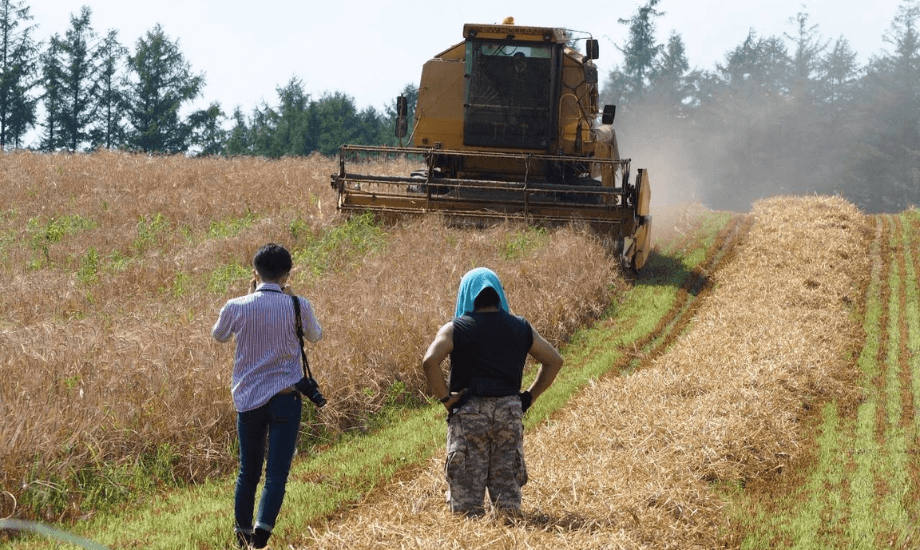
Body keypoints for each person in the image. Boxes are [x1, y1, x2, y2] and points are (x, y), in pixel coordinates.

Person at [421, 267, 564, 515]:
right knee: (507, 505)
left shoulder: (455, 328)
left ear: (466, 294)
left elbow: (430, 361)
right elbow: (554, 360)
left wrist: (446, 398)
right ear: (499, 294)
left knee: (466, 509)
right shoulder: (521, 327)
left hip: (468, 416)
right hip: (508, 416)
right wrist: (528, 397)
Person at [212, 243, 322, 549]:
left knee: (248, 470)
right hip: (287, 396)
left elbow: (218, 335)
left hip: (248, 398)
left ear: (254, 272)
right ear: (287, 274)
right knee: (276, 473)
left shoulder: (236, 306)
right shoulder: (299, 305)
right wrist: (292, 303)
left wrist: (248, 296)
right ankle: (261, 537)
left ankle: (242, 534)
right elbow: (315, 336)